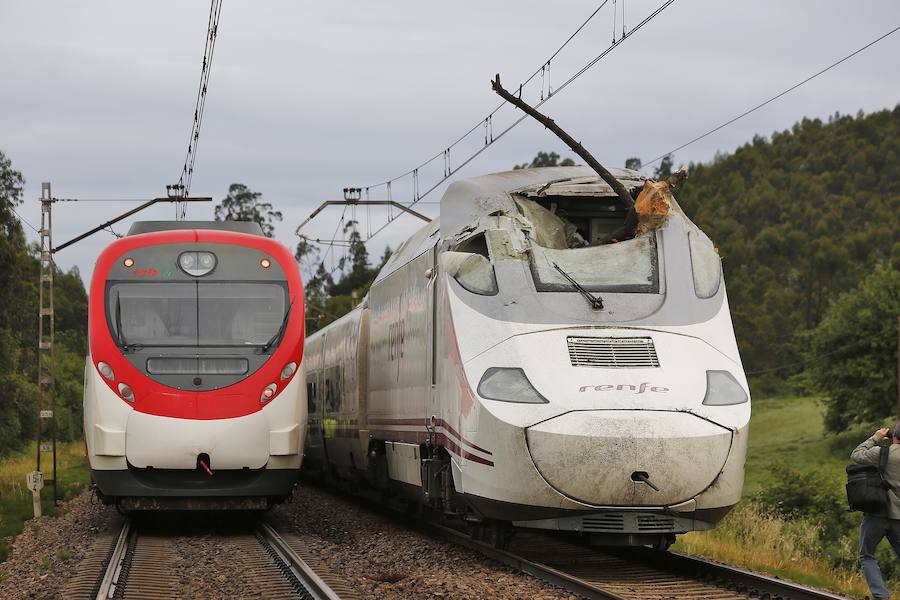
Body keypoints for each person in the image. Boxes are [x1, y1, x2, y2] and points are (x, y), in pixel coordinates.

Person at [851, 426, 900, 599]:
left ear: (894, 435)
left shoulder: (882, 453)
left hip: (877, 513)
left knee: (867, 555)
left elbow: (856, 455)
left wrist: (876, 437)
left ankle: (881, 595)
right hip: (899, 518)